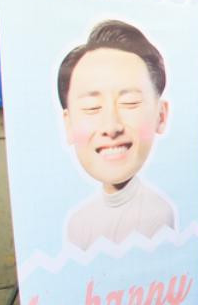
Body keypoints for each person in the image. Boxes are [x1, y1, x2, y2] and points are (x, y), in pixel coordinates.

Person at [58, 21, 176, 251]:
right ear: (68, 123)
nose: (111, 127)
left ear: (161, 116)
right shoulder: (77, 222)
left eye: (129, 102)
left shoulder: (160, 214)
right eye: (92, 107)